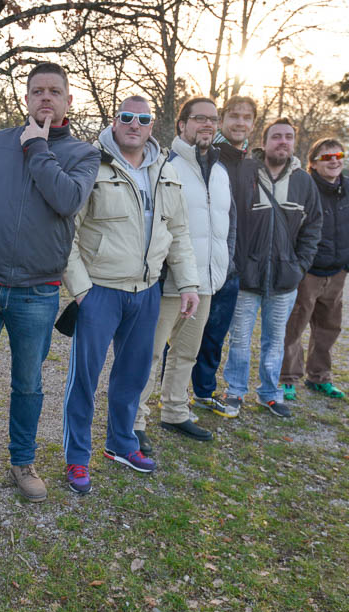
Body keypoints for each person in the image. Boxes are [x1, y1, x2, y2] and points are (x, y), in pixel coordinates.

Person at [0, 62, 99, 502]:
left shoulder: (83, 155)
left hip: (37, 292)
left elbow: (67, 200)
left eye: (54, 91)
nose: (45, 97)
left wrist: (38, 147)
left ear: (68, 101)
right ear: (26, 99)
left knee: (28, 384)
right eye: (37, 91)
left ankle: (22, 462)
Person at [61, 96, 199, 493]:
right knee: (84, 380)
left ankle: (121, 444)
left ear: (151, 125)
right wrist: (81, 289)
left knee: (134, 374)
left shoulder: (166, 170)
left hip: (147, 291)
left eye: (142, 118)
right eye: (127, 117)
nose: (134, 124)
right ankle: (77, 458)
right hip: (100, 291)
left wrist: (188, 283)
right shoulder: (91, 164)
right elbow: (67, 232)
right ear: (114, 121)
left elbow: (178, 233)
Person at [133, 96, 232, 444]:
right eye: (199, 118)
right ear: (182, 125)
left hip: (205, 282)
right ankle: (135, 421)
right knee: (149, 354)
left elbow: (227, 225)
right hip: (168, 282)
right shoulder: (165, 166)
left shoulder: (220, 171)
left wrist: (224, 264)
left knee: (186, 352)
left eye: (213, 119)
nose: (207, 125)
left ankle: (175, 412)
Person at [221, 117, 322, 419]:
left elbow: (313, 227)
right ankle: (235, 391)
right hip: (246, 277)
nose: (283, 142)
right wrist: (234, 263)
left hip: (284, 280)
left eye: (288, 137)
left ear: (294, 143)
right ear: (263, 143)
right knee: (239, 340)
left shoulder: (304, 182)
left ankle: (269, 394)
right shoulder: (245, 172)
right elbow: (228, 217)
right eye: (276, 136)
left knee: (275, 341)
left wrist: (299, 266)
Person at [280, 138, 349, 402]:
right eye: (326, 157)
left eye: (338, 155)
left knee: (328, 327)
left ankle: (319, 377)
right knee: (295, 326)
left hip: (337, 270)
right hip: (309, 271)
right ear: (313, 163)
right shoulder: (304, 185)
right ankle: (288, 378)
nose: (334, 161)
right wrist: (299, 265)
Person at [190, 95, 256, 418]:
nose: (240, 122)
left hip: (231, 268)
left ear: (253, 124)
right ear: (222, 120)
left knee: (215, 337)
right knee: (185, 337)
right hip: (200, 265)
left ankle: (203, 393)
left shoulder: (252, 165)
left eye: (247, 117)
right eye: (234, 116)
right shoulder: (207, 156)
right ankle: (172, 395)